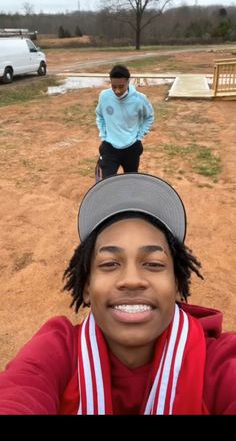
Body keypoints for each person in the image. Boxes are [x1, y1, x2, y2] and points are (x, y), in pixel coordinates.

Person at [0, 173, 236, 415]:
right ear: (87, 288)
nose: (131, 280)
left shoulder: (218, 362)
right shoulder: (58, 351)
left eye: (154, 264)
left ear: (176, 284)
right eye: (110, 264)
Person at [95, 64, 154, 178]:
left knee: (130, 182)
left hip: (131, 148)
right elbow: (100, 115)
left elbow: (149, 117)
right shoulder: (104, 96)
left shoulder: (140, 99)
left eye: (121, 86)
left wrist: (139, 136)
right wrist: (103, 135)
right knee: (106, 183)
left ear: (128, 82)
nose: (117, 91)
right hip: (110, 148)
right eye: (113, 86)